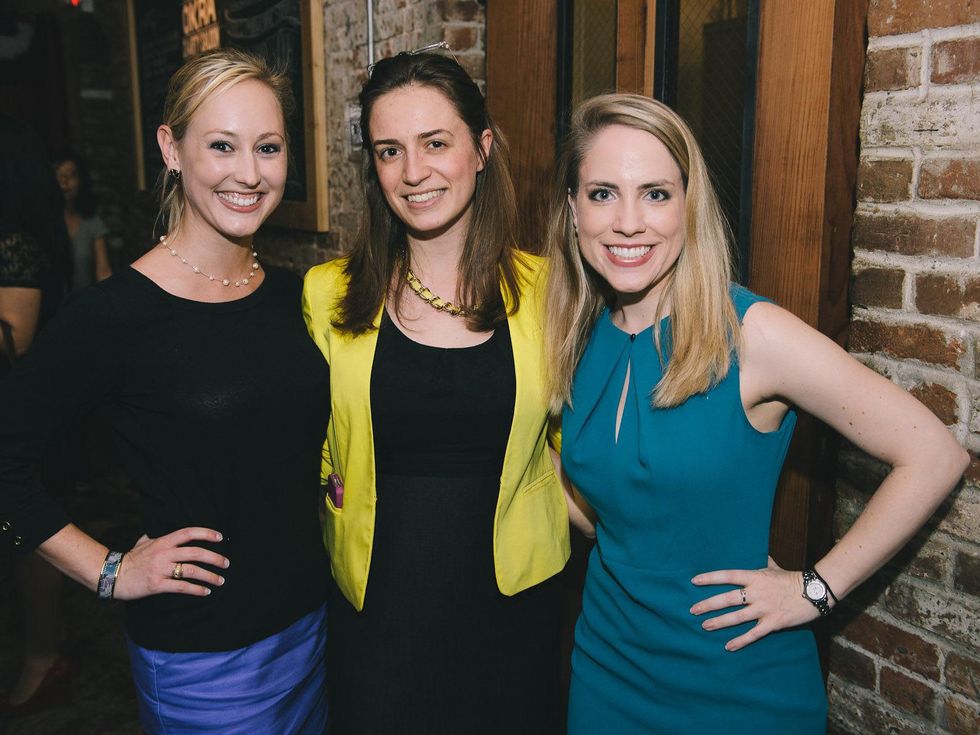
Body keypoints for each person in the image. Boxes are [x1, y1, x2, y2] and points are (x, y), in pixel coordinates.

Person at [544, 93, 968, 734]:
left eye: (656, 194)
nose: (628, 221)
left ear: (690, 206)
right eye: (603, 193)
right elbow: (610, 520)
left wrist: (814, 589)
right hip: (608, 672)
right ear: (573, 208)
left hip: (736, 686)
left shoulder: (752, 334)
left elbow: (934, 454)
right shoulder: (575, 333)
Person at [0, 49, 331, 734]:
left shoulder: (294, 296)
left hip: (317, 628)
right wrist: (107, 569)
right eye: (221, 145)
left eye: (268, 147)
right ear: (170, 147)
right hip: (205, 657)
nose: (249, 172)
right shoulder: (115, 315)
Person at [302, 48, 591, 734]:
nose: (413, 172)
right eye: (389, 151)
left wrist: (662, 549)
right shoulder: (326, 294)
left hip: (509, 610)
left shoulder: (553, 293)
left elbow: (578, 454)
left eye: (436, 143)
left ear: (482, 147)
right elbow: (305, 445)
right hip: (376, 613)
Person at [0, 114, 72, 716]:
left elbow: (13, 338)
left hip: (20, 406)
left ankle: (41, 654)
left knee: (26, 528)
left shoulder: (15, 240)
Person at [53, 152, 112, 290]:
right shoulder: (43, 222)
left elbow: (103, 271)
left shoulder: (92, 223)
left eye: (71, 175)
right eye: (59, 175)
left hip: (83, 304)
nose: (64, 181)